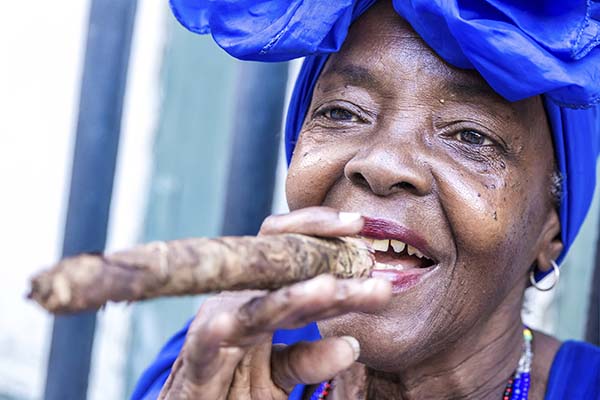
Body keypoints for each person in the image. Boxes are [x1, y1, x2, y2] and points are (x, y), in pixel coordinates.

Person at [132, 1, 600, 399]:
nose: (381, 165)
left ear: (550, 230)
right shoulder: (215, 367)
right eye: (341, 112)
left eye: (471, 136)